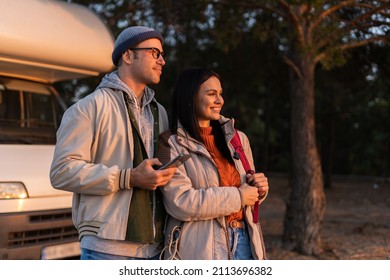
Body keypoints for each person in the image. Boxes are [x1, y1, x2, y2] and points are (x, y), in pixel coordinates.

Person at [50, 26, 177, 260]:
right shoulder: (88, 108)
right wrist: (128, 177)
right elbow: (61, 171)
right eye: (154, 53)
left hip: (156, 249)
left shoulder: (160, 112)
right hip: (106, 250)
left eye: (162, 55)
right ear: (128, 56)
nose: (162, 61)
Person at [157, 68, 269, 260]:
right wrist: (239, 196)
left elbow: (248, 196)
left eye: (220, 94)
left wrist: (259, 189)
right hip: (201, 250)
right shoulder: (170, 143)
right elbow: (180, 202)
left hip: (245, 243)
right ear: (190, 97)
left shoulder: (238, 139)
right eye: (211, 94)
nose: (220, 100)